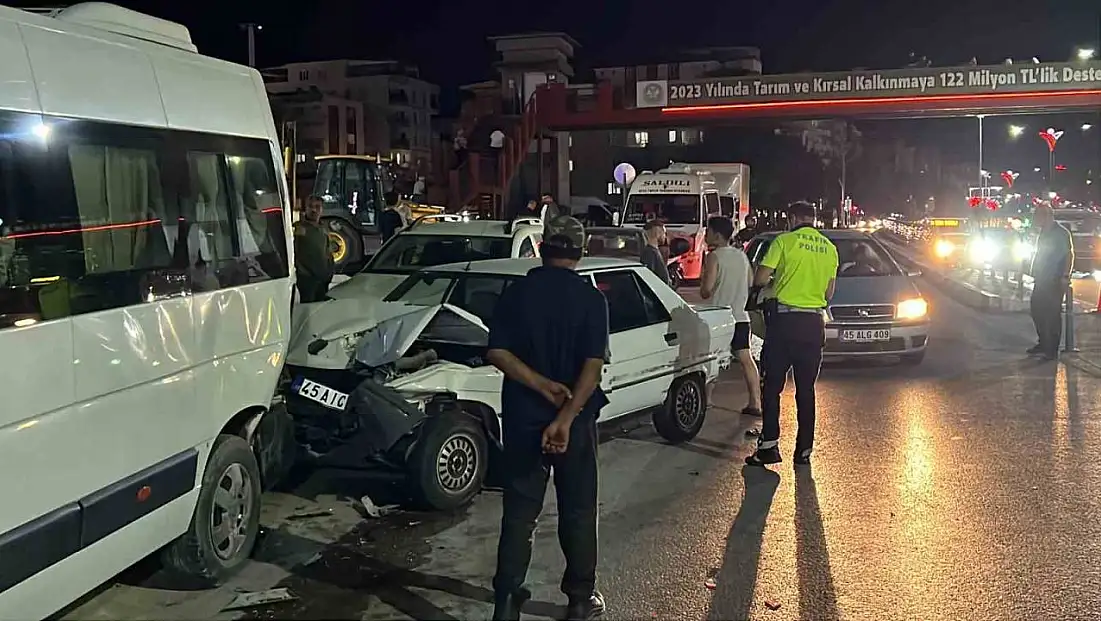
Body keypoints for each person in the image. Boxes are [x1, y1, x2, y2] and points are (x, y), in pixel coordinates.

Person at [486, 216, 609, 621]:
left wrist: (540, 386)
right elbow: (592, 368)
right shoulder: (592, 299)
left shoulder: (516, 293)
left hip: (523, 417)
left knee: (520, 511)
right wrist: (566, 418)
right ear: (580, 251)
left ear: (541, 248)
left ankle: (506, 601)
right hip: (575, 423)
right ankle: (579, 600)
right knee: (577, 509)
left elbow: (497, 353)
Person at [746, 201, 838, 467]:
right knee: (806, 390)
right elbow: (828, 294)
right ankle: (804, 450)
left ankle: (769, 447)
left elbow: (760, 279)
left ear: (794, 218)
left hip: (784, 323)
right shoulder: (829, 249)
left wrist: (778, 283)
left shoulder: (784, 242)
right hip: (813, 325)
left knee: (772, 386)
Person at [700, 216, 761, 417]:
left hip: (719, 318)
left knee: (712, 359)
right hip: (740, 317)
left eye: (708, 231)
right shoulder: (741, 256)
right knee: (746, 358)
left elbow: (706, 290)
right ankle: (755, 402)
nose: (706, 235)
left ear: (717, 235)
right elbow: (751, 281)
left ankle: (707, 400)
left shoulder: (714, 257)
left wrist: (705, 284)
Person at [1028, 202, 1074, 360]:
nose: (1036, 219)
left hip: (1055, 279)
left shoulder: (1061, 233)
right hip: (1042, 278)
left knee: (1053, 314)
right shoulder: (1043, 232)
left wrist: (1066, 276)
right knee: (1036, 310)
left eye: (1038, 215)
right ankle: (1043, 342)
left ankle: (1052, 349)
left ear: (1047, 216)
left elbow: (1069, 255)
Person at [293, 196, 335, 303]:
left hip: (323, 279)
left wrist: (330, 272)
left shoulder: (324, 228)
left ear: (322, 210)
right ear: (305, 208)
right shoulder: (299, 228)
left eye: (317, 207)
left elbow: (328, 251)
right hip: (307, 280)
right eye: (310, 206)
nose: (313, 210)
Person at [640, 219, 670, 285]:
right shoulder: (650, 253)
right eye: (664, 232)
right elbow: (649, 278)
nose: (665, 236)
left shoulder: (654, 251)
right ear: (657, 232)